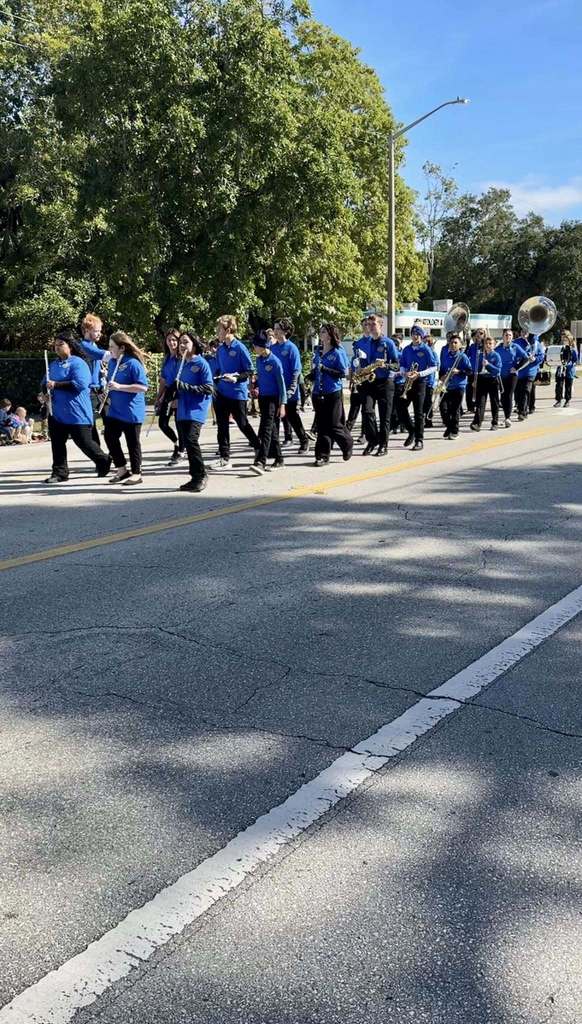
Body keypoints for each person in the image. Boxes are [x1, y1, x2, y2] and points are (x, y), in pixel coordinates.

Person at [41, 331, 111, 483]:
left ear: (70, 346)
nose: (57, 348)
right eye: (55, 345)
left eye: (61, 345)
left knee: (84, 442)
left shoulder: (79, 363)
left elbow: (79, 384)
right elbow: (44, 383)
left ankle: (103, 460)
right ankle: (60, 472)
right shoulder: (52, 365)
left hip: (77, 412)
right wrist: (44, 394)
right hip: (57, 411)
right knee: (57, 444)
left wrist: (56, 385)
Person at [164, 332, 214, 492]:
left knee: (192, 441)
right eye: (180, 343)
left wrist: (186, 387)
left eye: (185, 342)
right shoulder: (182, 364)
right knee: (186, 442)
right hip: (182, 410)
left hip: (196, 410)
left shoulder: (201, 363)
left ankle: (201, 475)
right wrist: (169, 394)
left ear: (194, 344)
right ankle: (194, 477)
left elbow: (208, 388)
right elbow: (175, 385)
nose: (182, 345)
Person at [209, 315, 258, 470]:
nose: (217, 332)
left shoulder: (240, 347)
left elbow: (249, 371)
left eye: (219, 329)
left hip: (237, 393)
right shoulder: (221, 349)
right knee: (222, 426)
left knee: (242, 423)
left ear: (228, 330)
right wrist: (214, 381)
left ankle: (259, 447)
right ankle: (224, 458)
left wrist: (236, 378)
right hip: (221, 393)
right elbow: (218, 368)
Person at [103, 331, 148, 485]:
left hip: (131, 410)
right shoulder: (112, 363)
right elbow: (111, 383)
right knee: (109, 436)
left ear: (122, 348)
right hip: (115, 409)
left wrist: (120, 386)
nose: (109, 350)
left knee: (132, 442)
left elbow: (142, 387)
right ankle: (121, 468)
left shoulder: (133, 363)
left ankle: (137, 473)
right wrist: (107, 392)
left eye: (112, 347)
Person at [311, 323, 353, 467]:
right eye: (320, 331)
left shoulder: (337, 352)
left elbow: (343, 373)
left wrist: (326, 369)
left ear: (329, 335)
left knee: (335, 424)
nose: (320, 334)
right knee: (322, 426)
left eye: (323, 332)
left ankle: (347, 444)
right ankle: (322, 456)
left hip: (333, 392)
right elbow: (316, 370)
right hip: (318, 392)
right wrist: (310, 376)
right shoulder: (318, 351)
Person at [359, 313, 400, 457]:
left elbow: (396, 365)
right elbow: (362, 362)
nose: (370, 326)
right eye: (368, 324)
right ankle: (373, 440)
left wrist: (386, 365)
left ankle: (383, 445)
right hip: (370, 381)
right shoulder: (366, 342)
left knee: (384, 416)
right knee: (367, 411)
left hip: (385, 383)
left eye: (373, 324)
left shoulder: (388, 343)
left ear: (380, 326)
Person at [249, 333, 287, 474]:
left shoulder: (275, 362)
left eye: (255, 345)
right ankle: (279, 459)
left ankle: (261, 461)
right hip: (263, 398)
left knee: (265, 429)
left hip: (273, 399)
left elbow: (281, 385)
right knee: (272, 431)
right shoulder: (259, 360)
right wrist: (255, 385)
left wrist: (282, 404)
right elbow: (260, 377)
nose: (253, 348)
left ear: (262, 346)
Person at [398, 326, 438, 451]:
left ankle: (419, 440)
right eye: (413, 334)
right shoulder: (406, 349)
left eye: (417, 334)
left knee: (418, 412)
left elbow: (433, 367)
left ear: (421, 336)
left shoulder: (426, 349)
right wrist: (404, 372)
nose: (415, 336)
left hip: (421, 382)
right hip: (408, 381)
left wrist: (419, 374)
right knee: (400, 407)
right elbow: (403, 364)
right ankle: (411, 430)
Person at [272, 319, 310, 453]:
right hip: (276, 389)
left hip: (289, 390)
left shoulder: (291, 348)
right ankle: (274, 448)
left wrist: (292, 389)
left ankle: (304, 440)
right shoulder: (272, 348)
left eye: (278, 329)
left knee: (292, 417)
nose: (275, 331)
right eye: (274, 328)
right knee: (275, 418)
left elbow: (296, 370)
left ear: (285, 331)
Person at [156, 327, 186, 466]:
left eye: (174, 340)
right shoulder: (167, 358)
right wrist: (159, 396)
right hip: (168, 392)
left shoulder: (183, 358)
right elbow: (163, 379)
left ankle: (181, 450)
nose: (172, 343)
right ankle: (176, 443)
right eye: (169, 340)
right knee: (162, 423)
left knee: (180, 423)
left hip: (180, 392)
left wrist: (178, 398)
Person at [79, 313, 109, 443]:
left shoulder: (94, 344)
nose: (99, 334)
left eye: (100, 331)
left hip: (101, 390)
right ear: (87, 330)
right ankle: (99, 455)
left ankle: (113, 452)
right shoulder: (84, 346)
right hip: (90, 392)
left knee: (111, 422)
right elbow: (105, 355)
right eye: (96, 331)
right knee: (91, 425)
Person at [438, 334, 472, 439]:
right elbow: (442, 369)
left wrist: (458, 371)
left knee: (455, 410)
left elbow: (469, 371)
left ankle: (454, 431)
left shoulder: (462, 356)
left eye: (455, 343)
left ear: (460, 344)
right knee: (443, 408)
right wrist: (441, 377)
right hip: (446, 385)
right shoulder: (445, 355)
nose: (453, 344)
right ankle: (449, 427)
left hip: (458, 386)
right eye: (451, 342)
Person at [470, 336, 502, 431]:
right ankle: (477, 423)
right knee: (480, 403)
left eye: (490, 344)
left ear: (494, 345)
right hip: (482, 379)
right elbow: (476, 369)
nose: (488, 345)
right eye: (486, 344)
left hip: (492, 380)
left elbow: (497, 371)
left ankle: (495, 422)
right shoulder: (480, 355)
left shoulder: (496, 355)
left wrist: (488, 365)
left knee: (494, 402)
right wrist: (475, 380)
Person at [496, 329, 525, 427]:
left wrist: (516, 367)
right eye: (506, 335)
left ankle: (507, 418)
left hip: (512, 375)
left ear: (512, 337)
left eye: (510, 335)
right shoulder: (498, 348)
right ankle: (506, 415)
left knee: (508, 395)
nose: (508, 337)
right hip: (500, 375)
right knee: (503, 396)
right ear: (503, 336)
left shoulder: (515, 347)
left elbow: (525, 358)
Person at [514, 332, 545, 421]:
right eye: (523, 331)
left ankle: (522, 412)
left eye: (526, 332)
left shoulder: (537, 344)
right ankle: (522, 408)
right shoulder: (516, 342)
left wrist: (535, 359)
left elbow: (541, 356)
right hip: (518, 372)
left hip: (530, 372)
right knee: (518, 393)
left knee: (525, 391)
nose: (524, 333)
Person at [554, 331, 578, 407]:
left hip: (569, 369)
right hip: (560, 368)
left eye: (566, 339)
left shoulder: (573, 349)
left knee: (568, 385)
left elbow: (575, 360)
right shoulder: (560, 347)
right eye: (563, 339)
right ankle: (558, 400)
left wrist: (570, 365)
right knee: (559, 385)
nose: (564, 341)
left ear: (569, 340)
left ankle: (567, 401)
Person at [466, 328, 486, 413]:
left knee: (479, 391)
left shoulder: (485, 346)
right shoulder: (472, 346)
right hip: (472, 371)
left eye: (481, 333)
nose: (478, 335)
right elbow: (466, 356)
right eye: (477, 333)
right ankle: (470, 407)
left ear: (484, 335)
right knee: (469, 389)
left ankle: (478, 406)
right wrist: (467, 344)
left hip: (482, 372)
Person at [423, 333, 438, 429]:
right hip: (421, 381)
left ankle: (429, 421)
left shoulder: (433, 353)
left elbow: (437, 366)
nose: (427, 343)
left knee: (428, 402)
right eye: (426, 341)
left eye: (429, 341)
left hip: (429, 382)